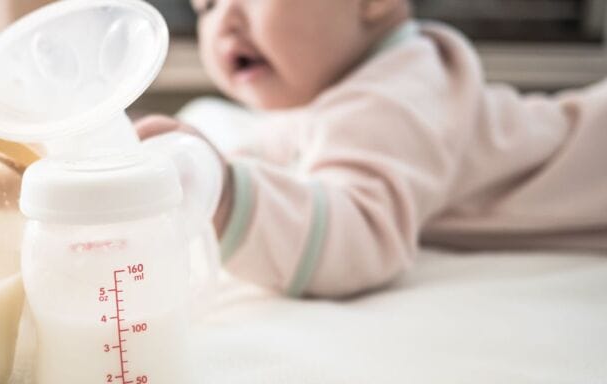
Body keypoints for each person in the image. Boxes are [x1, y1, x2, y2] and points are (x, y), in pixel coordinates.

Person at [136, 0, 607, 298]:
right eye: (207, 7)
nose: (224, 22)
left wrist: (227, 195)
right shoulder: (345, 92)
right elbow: (281, 146)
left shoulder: (393, 94)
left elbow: (358, 233)